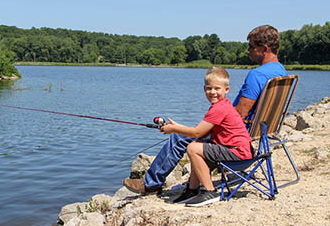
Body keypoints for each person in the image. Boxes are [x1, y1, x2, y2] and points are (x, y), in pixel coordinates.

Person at [123, 25, 288, 195]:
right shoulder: (281, 70)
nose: (249, 50)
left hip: (236, 134)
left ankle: (151, 183)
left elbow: (240, 114)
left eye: (252, 46)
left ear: (264, 49)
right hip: (264, 129)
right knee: (192, 132)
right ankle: (191, 185)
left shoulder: (257, 75)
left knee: (178, 138)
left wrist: (214, 119)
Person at [159, 67, 252, 206]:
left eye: (217, 88)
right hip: (241, 151)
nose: (212, 92)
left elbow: (197, 131)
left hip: (238, 154)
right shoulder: (222, 105)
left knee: (193, 148)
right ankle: (192, 189)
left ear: (226, 90)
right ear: (204, 89)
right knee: (199, 143)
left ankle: (210, 191)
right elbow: (200, 132)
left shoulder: (219, 108)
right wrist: (178, 126)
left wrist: (173, 129)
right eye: (209, 88)